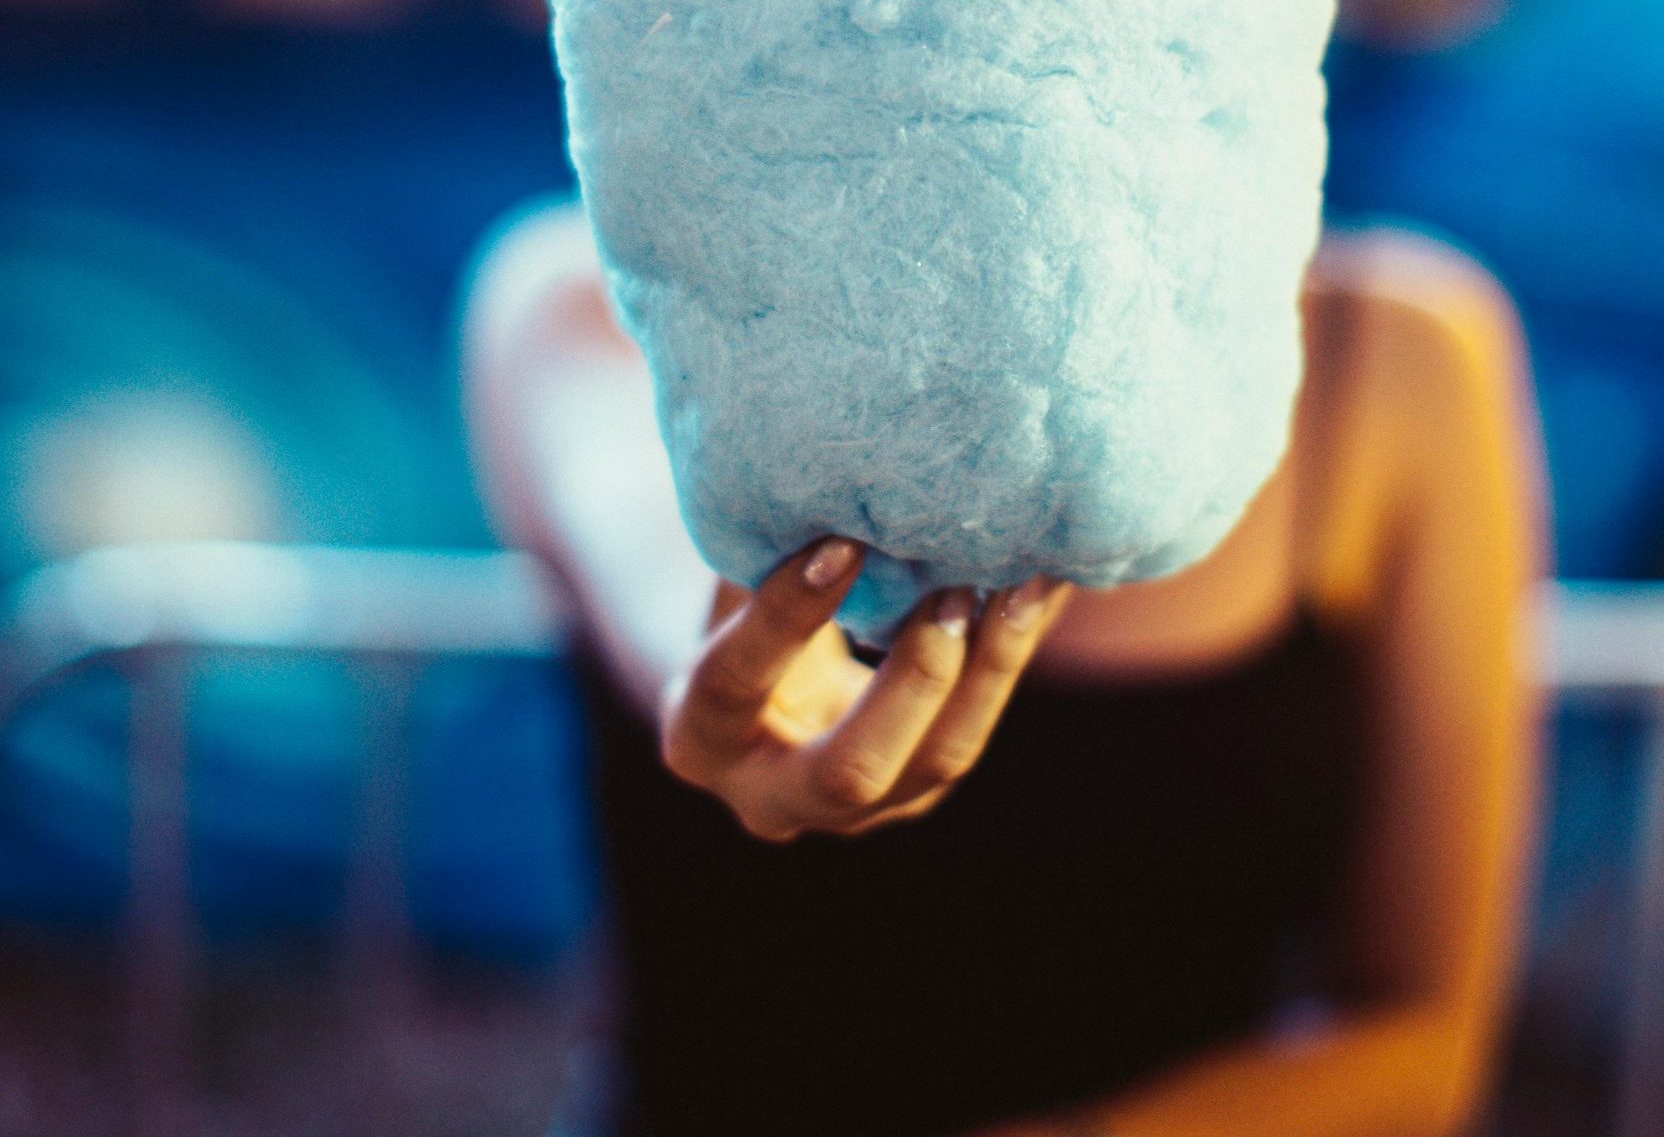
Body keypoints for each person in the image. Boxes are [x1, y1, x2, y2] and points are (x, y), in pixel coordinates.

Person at [462, 199, 1544, 1137]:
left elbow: (1419, 1044)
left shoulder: (1391, 358)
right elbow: (646, 553)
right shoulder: (592, 308)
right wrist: (736, 670)